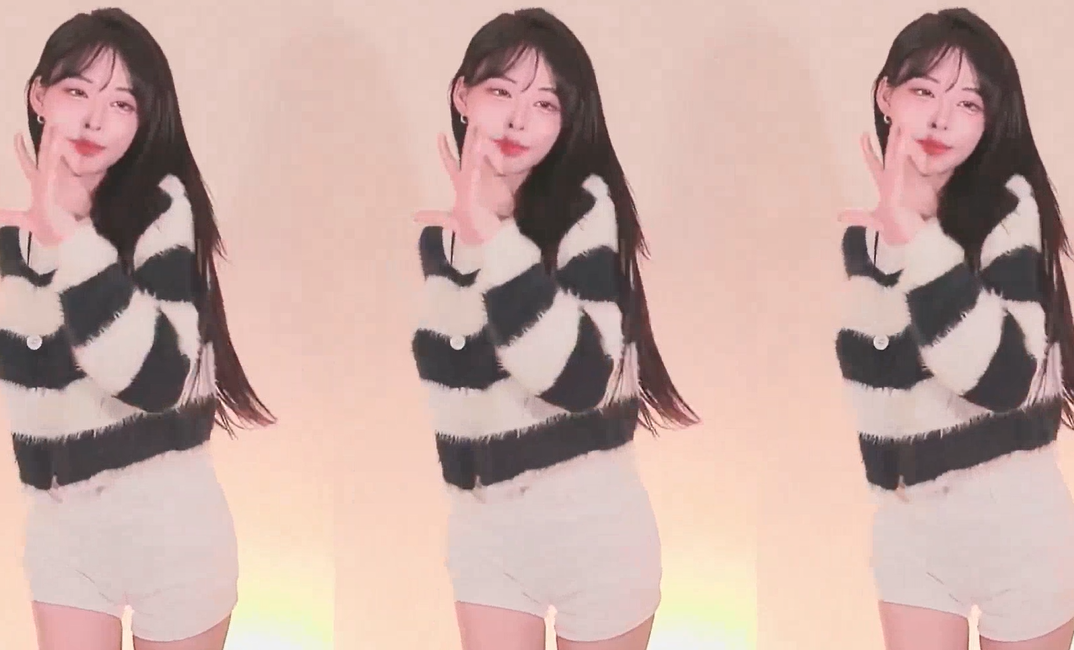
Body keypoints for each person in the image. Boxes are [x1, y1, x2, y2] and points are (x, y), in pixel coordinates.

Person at [409, 8, 698, 650]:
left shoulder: (585, 212)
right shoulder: (440, 241)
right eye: (501, 92)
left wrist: (494, 238)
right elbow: (461, 400)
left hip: (593, 530)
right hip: (486, 535)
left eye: (545, 103)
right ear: (462, 95)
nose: (518, 119)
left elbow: (578, 380)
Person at [0, 8, 275, 650]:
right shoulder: (12, 244)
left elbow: (155, 380)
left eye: (122, 103)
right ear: (39, 96)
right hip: (63, 529)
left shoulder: (161, 211)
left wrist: (71, 239)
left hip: (169, 524)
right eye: (77, 92)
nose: (95, 119)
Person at [836, 8, 1074, 650]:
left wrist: (919, 240)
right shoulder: (863, 239)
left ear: (989, 120)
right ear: (886, 96)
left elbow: (1001, 380)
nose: (942, 118)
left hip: (1016, 524)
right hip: (911, 531)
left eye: (969, 103)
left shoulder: (1009, 211)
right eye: (924, 91)